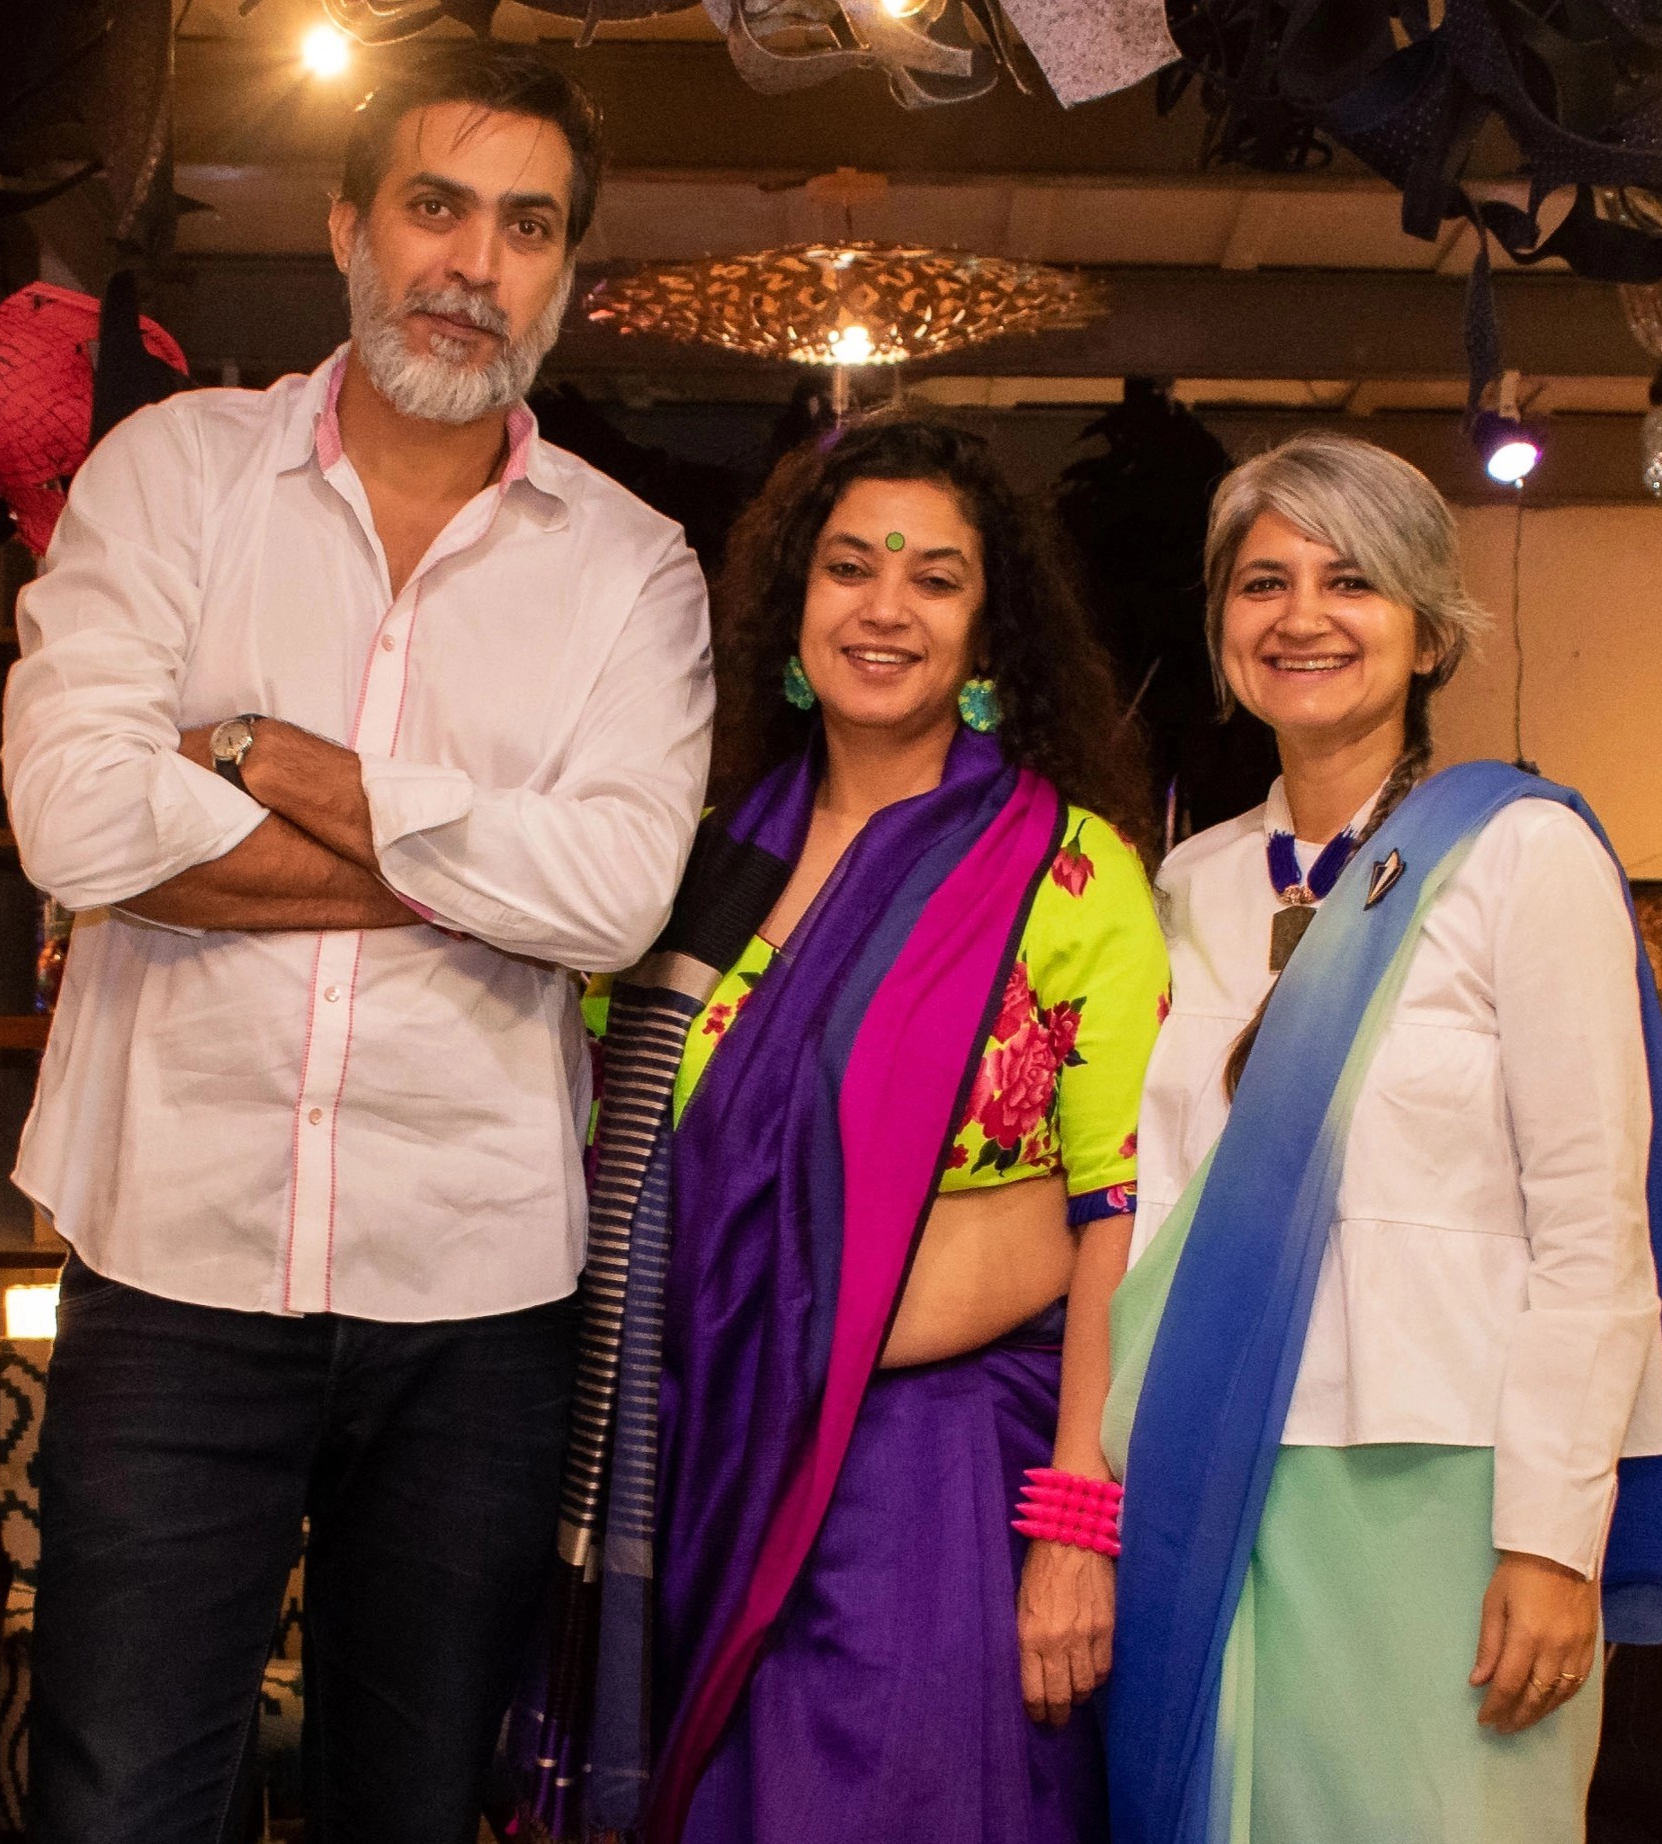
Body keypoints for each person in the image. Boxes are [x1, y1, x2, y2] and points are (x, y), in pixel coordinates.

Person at [0, 42, 714, 1844]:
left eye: (526, 225)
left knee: (412, 1807)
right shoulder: (173, 477)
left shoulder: (632, 573)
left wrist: (257, 757)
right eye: (435, 205)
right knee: (117, 1802)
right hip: (174, 1261)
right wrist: (482, 858)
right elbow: (76, 826)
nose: (472, 262)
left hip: (474, 1292)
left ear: (568, 274)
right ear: (346, 226)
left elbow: (616, 900)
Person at [513, 415, 1168, 1844]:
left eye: (935, 578)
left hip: (933, 1486)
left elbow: (1121, 1207)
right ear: (789, 608)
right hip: (694, 1461)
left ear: (988, 630)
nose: (885, 607)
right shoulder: (688, 866)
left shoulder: (1066, 872)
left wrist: (1073, 1521)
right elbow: (594, 1146)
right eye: (850, 567)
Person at [1101, 434, 1662, 1844]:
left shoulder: (1520, 857)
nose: (1302, 617)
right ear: (1220, 630)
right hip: (1210, 1474)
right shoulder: (1183, 886)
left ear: (1429, 628)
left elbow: (1592, 1230)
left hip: (1444, 1486)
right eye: (1263, 582)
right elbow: (1145, 1213)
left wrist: (1552, 1543)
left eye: (1353, 581)